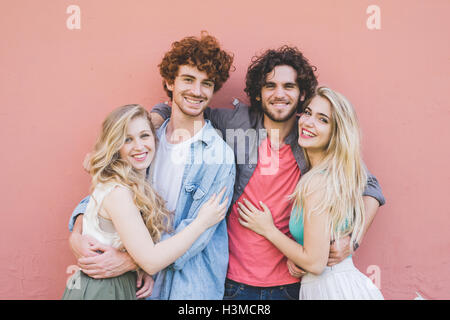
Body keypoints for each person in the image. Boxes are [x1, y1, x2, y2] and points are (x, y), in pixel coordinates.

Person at [151, 46, 385, 300]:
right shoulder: (235, 124)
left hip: (291, 283)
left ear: (302, 93)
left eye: (289, 86)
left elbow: (369, 187)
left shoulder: (310, 135)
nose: (279, 94)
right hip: (232, 283)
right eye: (270, 86)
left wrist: (352, 241)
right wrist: (153, 120)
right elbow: (189, 107)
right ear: (259, 94)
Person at [67, 32, 236, 300]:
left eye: (207, 83)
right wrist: (77, 231)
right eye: (188, 80)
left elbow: (201, 233)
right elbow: (109, 185)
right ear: (170, 82)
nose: (196, 91)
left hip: (187, 287)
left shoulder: (219, 156)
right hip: (135, 286)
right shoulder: (146, 139)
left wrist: (132, 260)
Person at [63, 105, 228, 299]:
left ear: (154, 138)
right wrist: (201, 223)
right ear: (115, 145)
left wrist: (137, 270)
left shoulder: (132, 184)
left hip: (119, 283)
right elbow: (151, 260)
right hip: (103, 288)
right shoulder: (118, 192)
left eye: (144, 136)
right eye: (127, 140)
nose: (139, 146)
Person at [238, 87, 384, 299]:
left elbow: (315, 263)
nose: (308, 123)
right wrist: (299, 255)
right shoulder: (335, 174)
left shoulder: (317, 181)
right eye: (307, 113)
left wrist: (268, 229)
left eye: (323, 120)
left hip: (333, 290)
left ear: (337, 133)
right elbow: (317, 252)